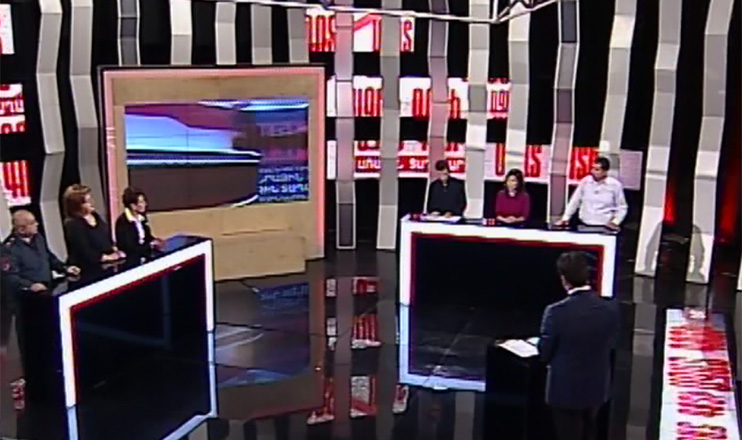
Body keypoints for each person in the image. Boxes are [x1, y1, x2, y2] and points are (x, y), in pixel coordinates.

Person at [538, 252, 620, 440]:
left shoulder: (555, 312)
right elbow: (612, 341)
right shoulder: (610, 308)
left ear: (564, 279)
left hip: (565, 390)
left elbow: (545, 352)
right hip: (597, 387)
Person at [1, 210, 80, 363]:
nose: (37, 224)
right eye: (32, 223)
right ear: (21, 229)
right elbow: (10, 277)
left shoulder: (38, 238)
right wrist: (30, 285)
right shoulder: (8, 249)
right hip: (27, 302)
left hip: (46, 295)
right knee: (32, 342)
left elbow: (49, 257)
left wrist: (65, 268)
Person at [63, 184, 124, 270]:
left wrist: (115, 250)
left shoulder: (95, 216)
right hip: (87, 269)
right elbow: (85, 251)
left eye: (91, 199)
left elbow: (105, 238)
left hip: (107, 266)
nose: (92, 203)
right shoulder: (73, 225)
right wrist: (106, 257)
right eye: (87, 201)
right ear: (77, 205)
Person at [557, 157, 627, 231]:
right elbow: (574, 201)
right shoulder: (585, 181)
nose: (593, 171)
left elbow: (622, 207)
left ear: (605, 171)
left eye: (597, 169)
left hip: (604, 227)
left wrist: (615, 222)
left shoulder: (615, 185)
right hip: (584, 224)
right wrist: (565, 218)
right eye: (592, 168)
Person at [115, 187, 162, 259]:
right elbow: (130, 248)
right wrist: (150, 245)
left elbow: (147, 237)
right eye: (141, 202)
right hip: (132, 260)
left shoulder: (142, 218)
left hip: (146, 256)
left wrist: (155, 241)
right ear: (133, 206)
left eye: (144, 201)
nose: (145, 204)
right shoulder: (122, 222)